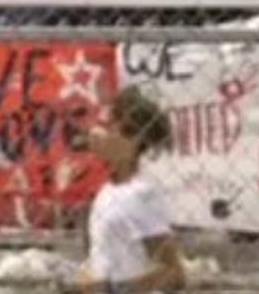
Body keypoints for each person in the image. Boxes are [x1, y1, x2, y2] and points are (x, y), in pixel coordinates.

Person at [67, 87, 186, 294]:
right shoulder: (109, 191)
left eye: (109, 128)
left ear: (132, 140)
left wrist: (113, 289)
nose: (98, 134)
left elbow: (173, 274)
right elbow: (100, 259)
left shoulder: (142, 195)